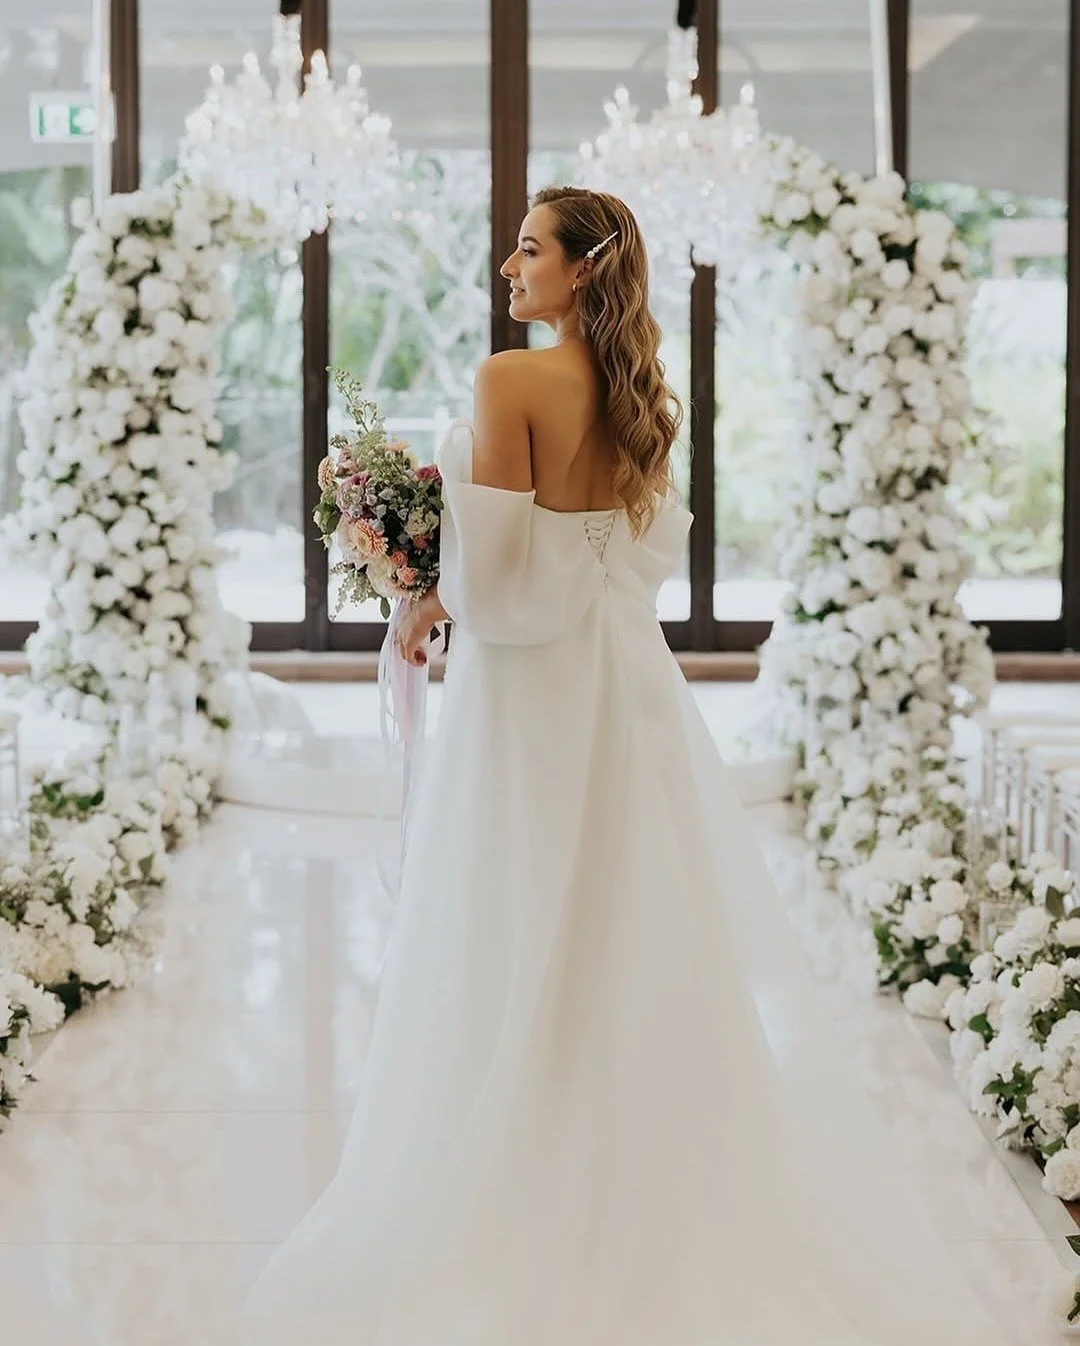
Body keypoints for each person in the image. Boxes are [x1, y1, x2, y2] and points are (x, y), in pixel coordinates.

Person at [239, 187, 1012, 1345]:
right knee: (627, 925)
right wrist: (451, 576)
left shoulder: (511, 381)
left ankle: (516, 1184)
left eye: (530, 248)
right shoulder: (647, 393)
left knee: (512, 922)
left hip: (528, 696)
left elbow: (499, 587)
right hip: (625, 679)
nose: (509, 265)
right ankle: (642, 1186)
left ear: (585, 271)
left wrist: (421, 593)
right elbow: (631, 548)